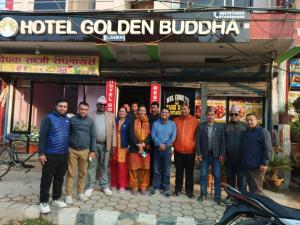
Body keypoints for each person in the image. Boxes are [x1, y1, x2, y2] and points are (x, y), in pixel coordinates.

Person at [38, 98, 70, 214]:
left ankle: (56, 198)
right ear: (56, 106)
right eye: (60, 106)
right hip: (50, 154)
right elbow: (42, 136)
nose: (62, 108)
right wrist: (41, 153)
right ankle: (43, 201)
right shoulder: (48, 118)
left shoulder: (67, 119)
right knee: (47, 178)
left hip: (63, 154)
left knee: (59, 178)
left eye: (65, 106)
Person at [64, 102, 96, 204]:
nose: (83, 111)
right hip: (72, 150)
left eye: (85, 109)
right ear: (78, 109)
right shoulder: (72, 120)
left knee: (83, 173)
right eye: (81, 109)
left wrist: (93, 150)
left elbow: (93, 136)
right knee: (71, 173)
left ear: (88, 110)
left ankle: (80, 193)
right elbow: (67, 134)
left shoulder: (90, 122)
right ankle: (68, 195)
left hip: (85, 151)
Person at [85, 96, 116, 197]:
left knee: (105, 166)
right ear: (97, 105)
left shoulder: (111, 116)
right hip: (93, 145)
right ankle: (90, 186)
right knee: (92, 166)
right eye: (100, 104)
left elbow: (114, 131)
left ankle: (104, 185)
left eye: (104, 105)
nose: (103, 106)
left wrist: (113, 145)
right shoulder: (90, 115)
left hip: (105, 145)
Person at [196, 106, 225, 205]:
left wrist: (222, 154)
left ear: (215, 115)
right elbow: (198, 141)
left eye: (212, 114)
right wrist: (199, 153)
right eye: (208, 114)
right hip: (204, 155)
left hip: (216, 155)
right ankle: (203, 194)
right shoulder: (201, 126)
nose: (210, 116)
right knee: (203, 175)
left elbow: (223, 142)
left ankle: (217, 197)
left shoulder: (220, 126)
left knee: (217, 175)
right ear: (206, 115)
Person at [173, 103, 199, 198]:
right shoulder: (176, 120)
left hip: (190, 152)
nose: (183, 110)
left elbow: (197, 136)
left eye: (185, 109)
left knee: (189, 173)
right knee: (178, 172)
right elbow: (173, 134)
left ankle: (189, 191)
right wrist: (173, 145)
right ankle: (177, 190)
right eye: (182, 109)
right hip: (178, 151)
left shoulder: (195, 121)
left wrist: (196, 149)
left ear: (189, 110)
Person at [241, 113, 271, 194]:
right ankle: (251, 206)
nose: (249, 122)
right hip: (247, 166)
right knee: (251, 189)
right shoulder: (245, 133)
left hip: (257, 167)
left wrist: (264, 163)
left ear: (256, 120)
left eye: (251, 120)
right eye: (247, 120)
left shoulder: (262, 131)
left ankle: (257, 206)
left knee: (257, 191)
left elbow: (267, 148)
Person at [150, 108, 177, 197]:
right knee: (156, 169)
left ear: (169, 115)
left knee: (166, 169)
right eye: (163, 112)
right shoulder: (155, 123)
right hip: (157, 149)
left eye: (166, 113)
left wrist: (165, 145)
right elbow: (153, 135)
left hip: (167, 149)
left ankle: (166, 189)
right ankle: (156, 188)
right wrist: (159, 144)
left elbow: (173, 137)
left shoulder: (172, 124)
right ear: (160, 113)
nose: (164, 114)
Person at [224, 105, 246, 201]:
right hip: (229, 158)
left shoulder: (245, 126)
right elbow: (223, 141)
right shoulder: (226, 126)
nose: (233, 116)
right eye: (232, 114)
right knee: (230, 178)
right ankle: (230, 196)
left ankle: (242, 198)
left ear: (240, 115)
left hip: (241, 158)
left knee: (241, 179)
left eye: (236, 114)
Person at [128, 105, 151, 195]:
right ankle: (134, 186)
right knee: (133, 168)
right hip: (134, 147)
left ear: (146, 111)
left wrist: (144, 143)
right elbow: (131, 133)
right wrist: (137, 144)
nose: (142, 112)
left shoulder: (149, 121)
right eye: (140, 110)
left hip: (146, 148)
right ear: (138, 111)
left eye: (144, 110)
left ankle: (143, 186)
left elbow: (150, 134)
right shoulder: (133, 120)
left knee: (145, 168)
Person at [110, 107, 130, 193]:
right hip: (115, 146)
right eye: (120, 111)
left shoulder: (128, 122)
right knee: (113, 165)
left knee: (122, 167)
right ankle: (114, 184)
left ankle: (122, 185)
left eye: (123, 111)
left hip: (123, 147)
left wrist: (129, 145)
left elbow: (130, 134)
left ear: (126, 113)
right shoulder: (115, 122)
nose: (121, 112)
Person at [148, 101, 160, 186]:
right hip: (149, 144)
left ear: (158, 108)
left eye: (155, 108)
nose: (153, 109)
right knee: (150, 163)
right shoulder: (148, 117)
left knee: (158, 165)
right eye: (152, 108)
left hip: (158, 144)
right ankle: (150, 182)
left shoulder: (161, 117)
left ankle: (158, 183)